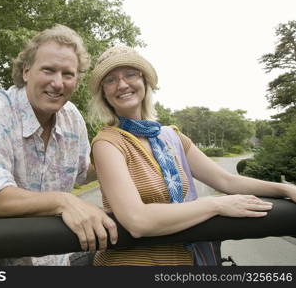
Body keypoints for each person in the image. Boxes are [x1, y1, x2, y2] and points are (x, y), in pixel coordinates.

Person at [88, 45, 296, 266]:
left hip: (186, 263)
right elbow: (137, 220)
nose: (122, 84)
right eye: (111, 80)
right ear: (104, 92)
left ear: (145, 81)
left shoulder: (172, 137)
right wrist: (215, 205)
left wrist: (285, 189)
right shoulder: (107, 143)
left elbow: (227, 181)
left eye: (130, 74)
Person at [0, 25, 117, 266]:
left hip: (58, 254)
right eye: (48, 70)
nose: (58, 83)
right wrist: (64, 201)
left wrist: (119, 144)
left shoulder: (72, 116)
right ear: (26, 71)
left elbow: (82, 173)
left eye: (68, 74)